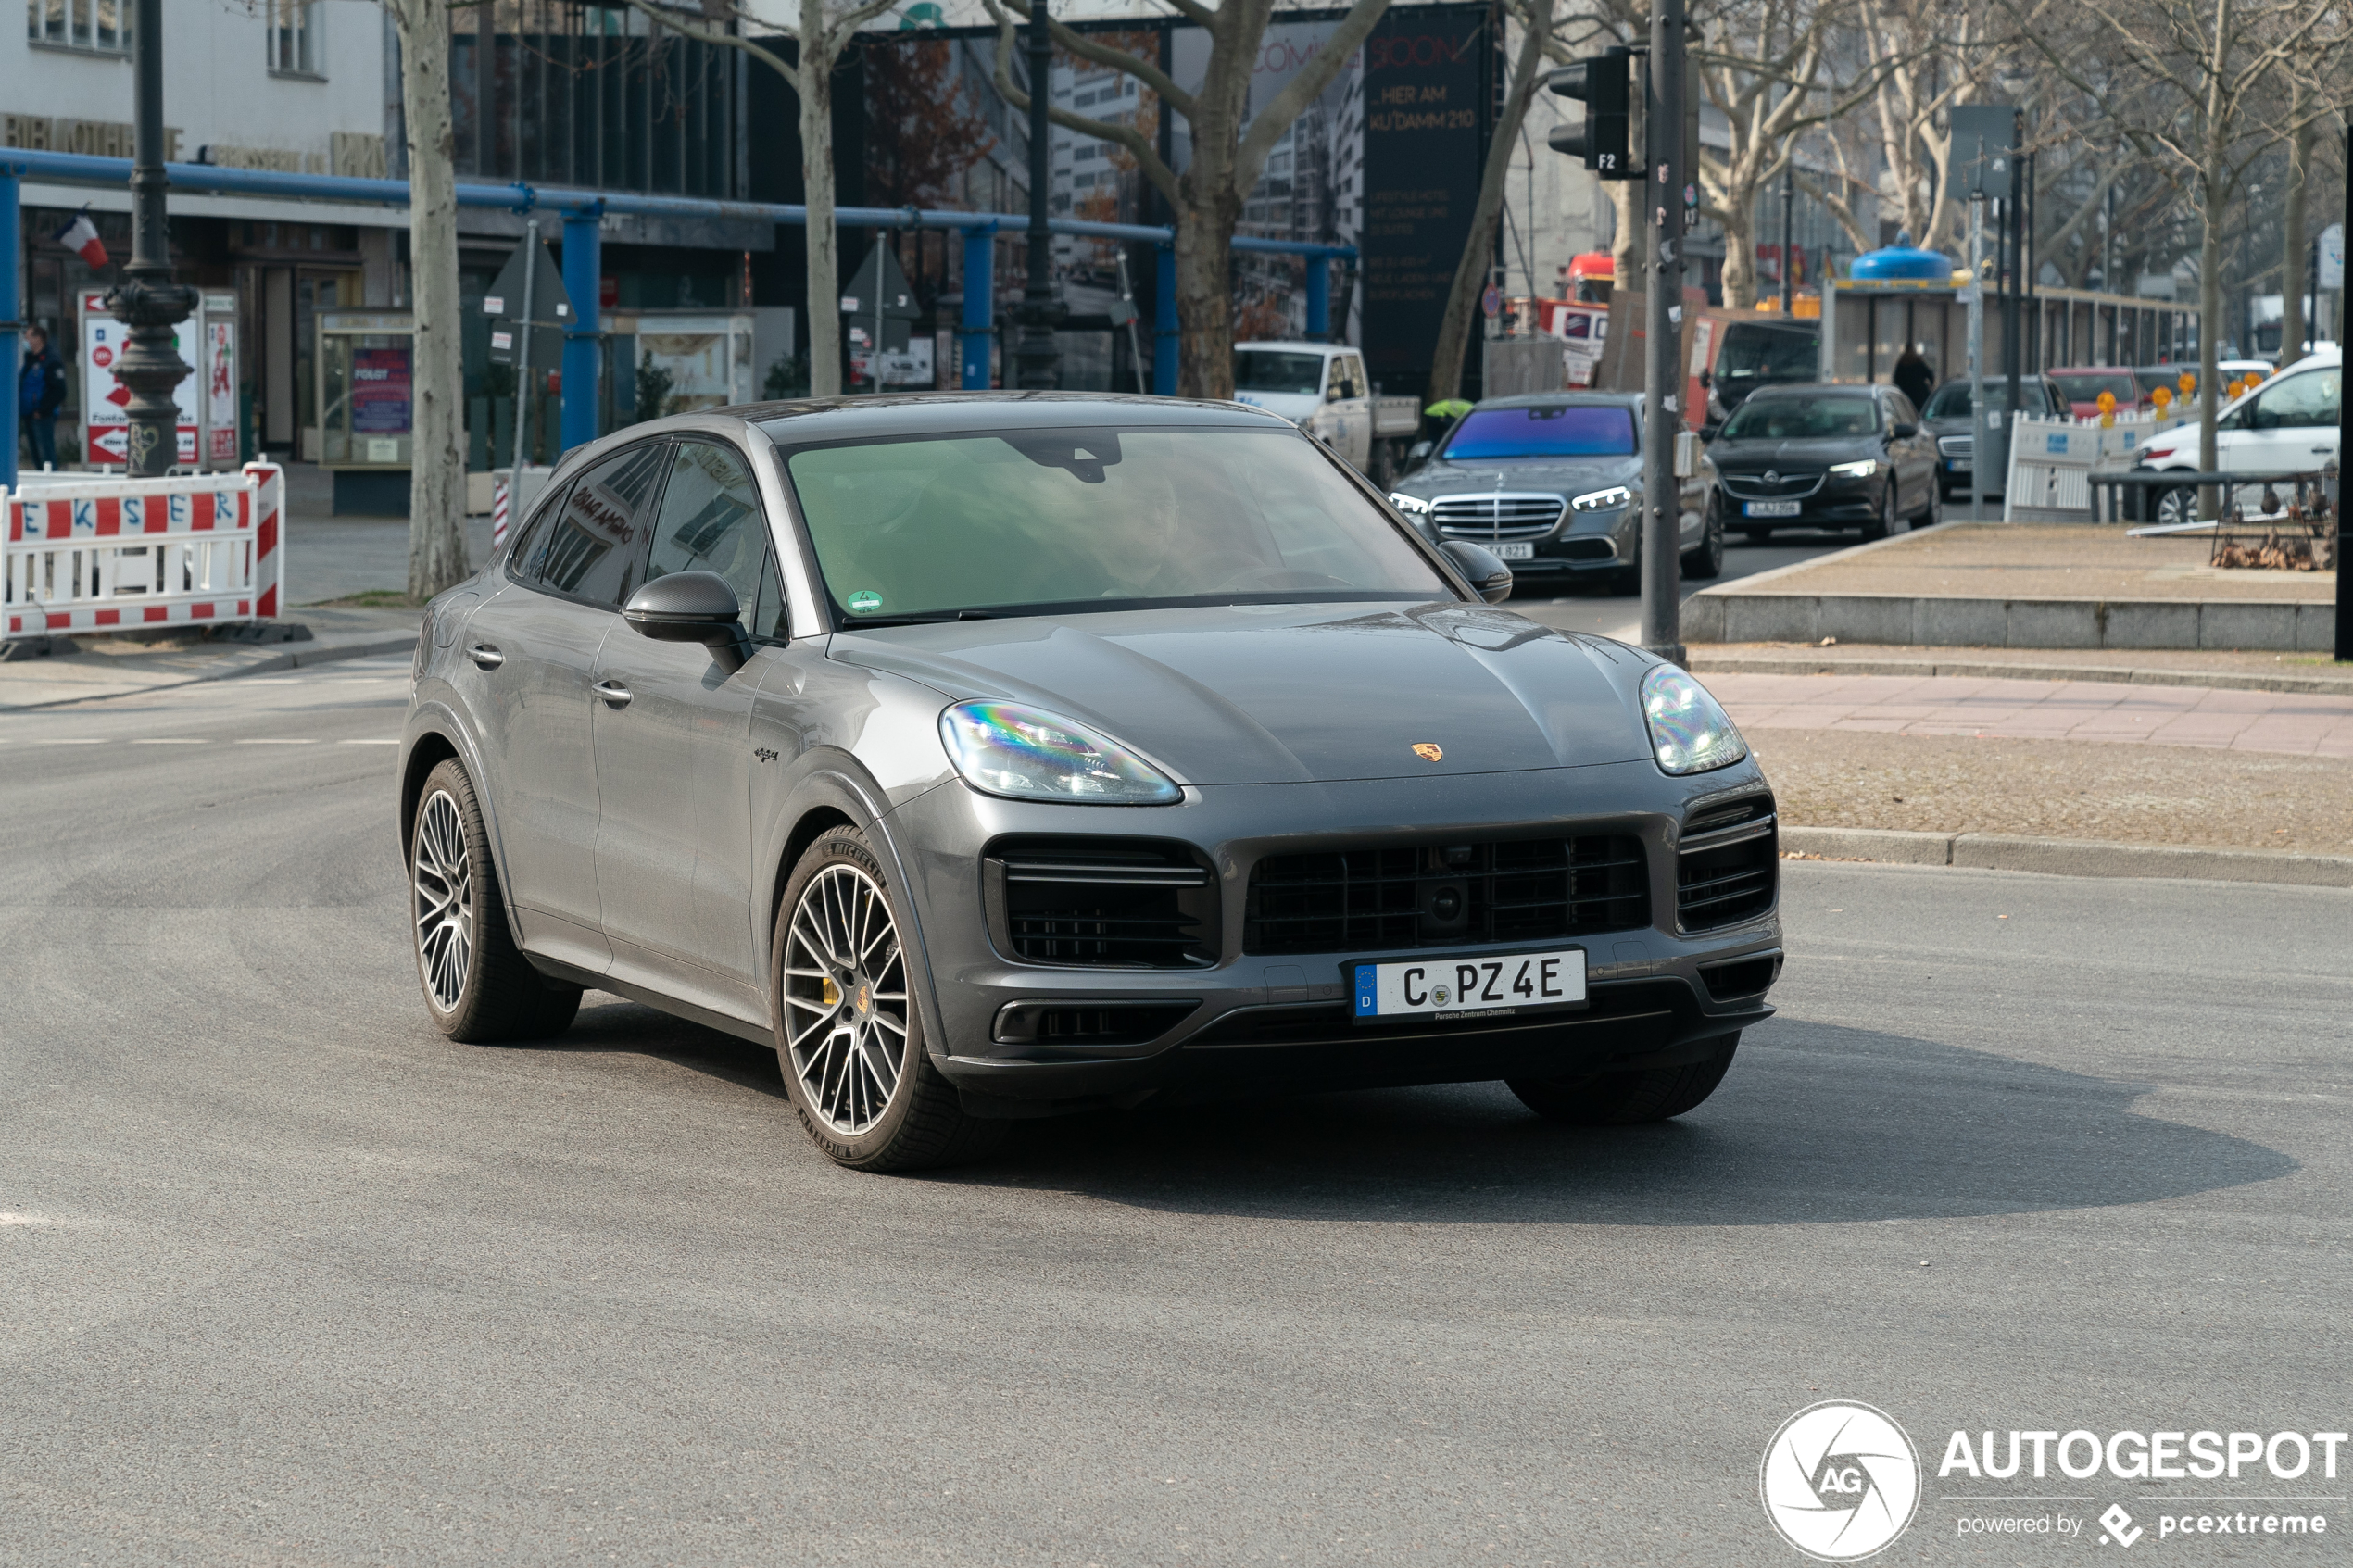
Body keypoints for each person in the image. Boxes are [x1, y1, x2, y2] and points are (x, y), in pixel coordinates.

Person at [19, 325, 65, 471]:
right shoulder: (30, 360)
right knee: (36, 456)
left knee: (46, 455)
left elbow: (59, 390)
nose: (26, 341)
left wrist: (42, 409)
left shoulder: (50, 361)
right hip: (28, 414)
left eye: (28, 337)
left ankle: (52, 487)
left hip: (42, 415)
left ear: (38, 338)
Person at [1891, 344, 1934, 413]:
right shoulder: (1918, 362)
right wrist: (1930, 386)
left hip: (1905, 393)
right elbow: (1930, 375)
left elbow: (1896, 380)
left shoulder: (1902, 363)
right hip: (1919, 393)